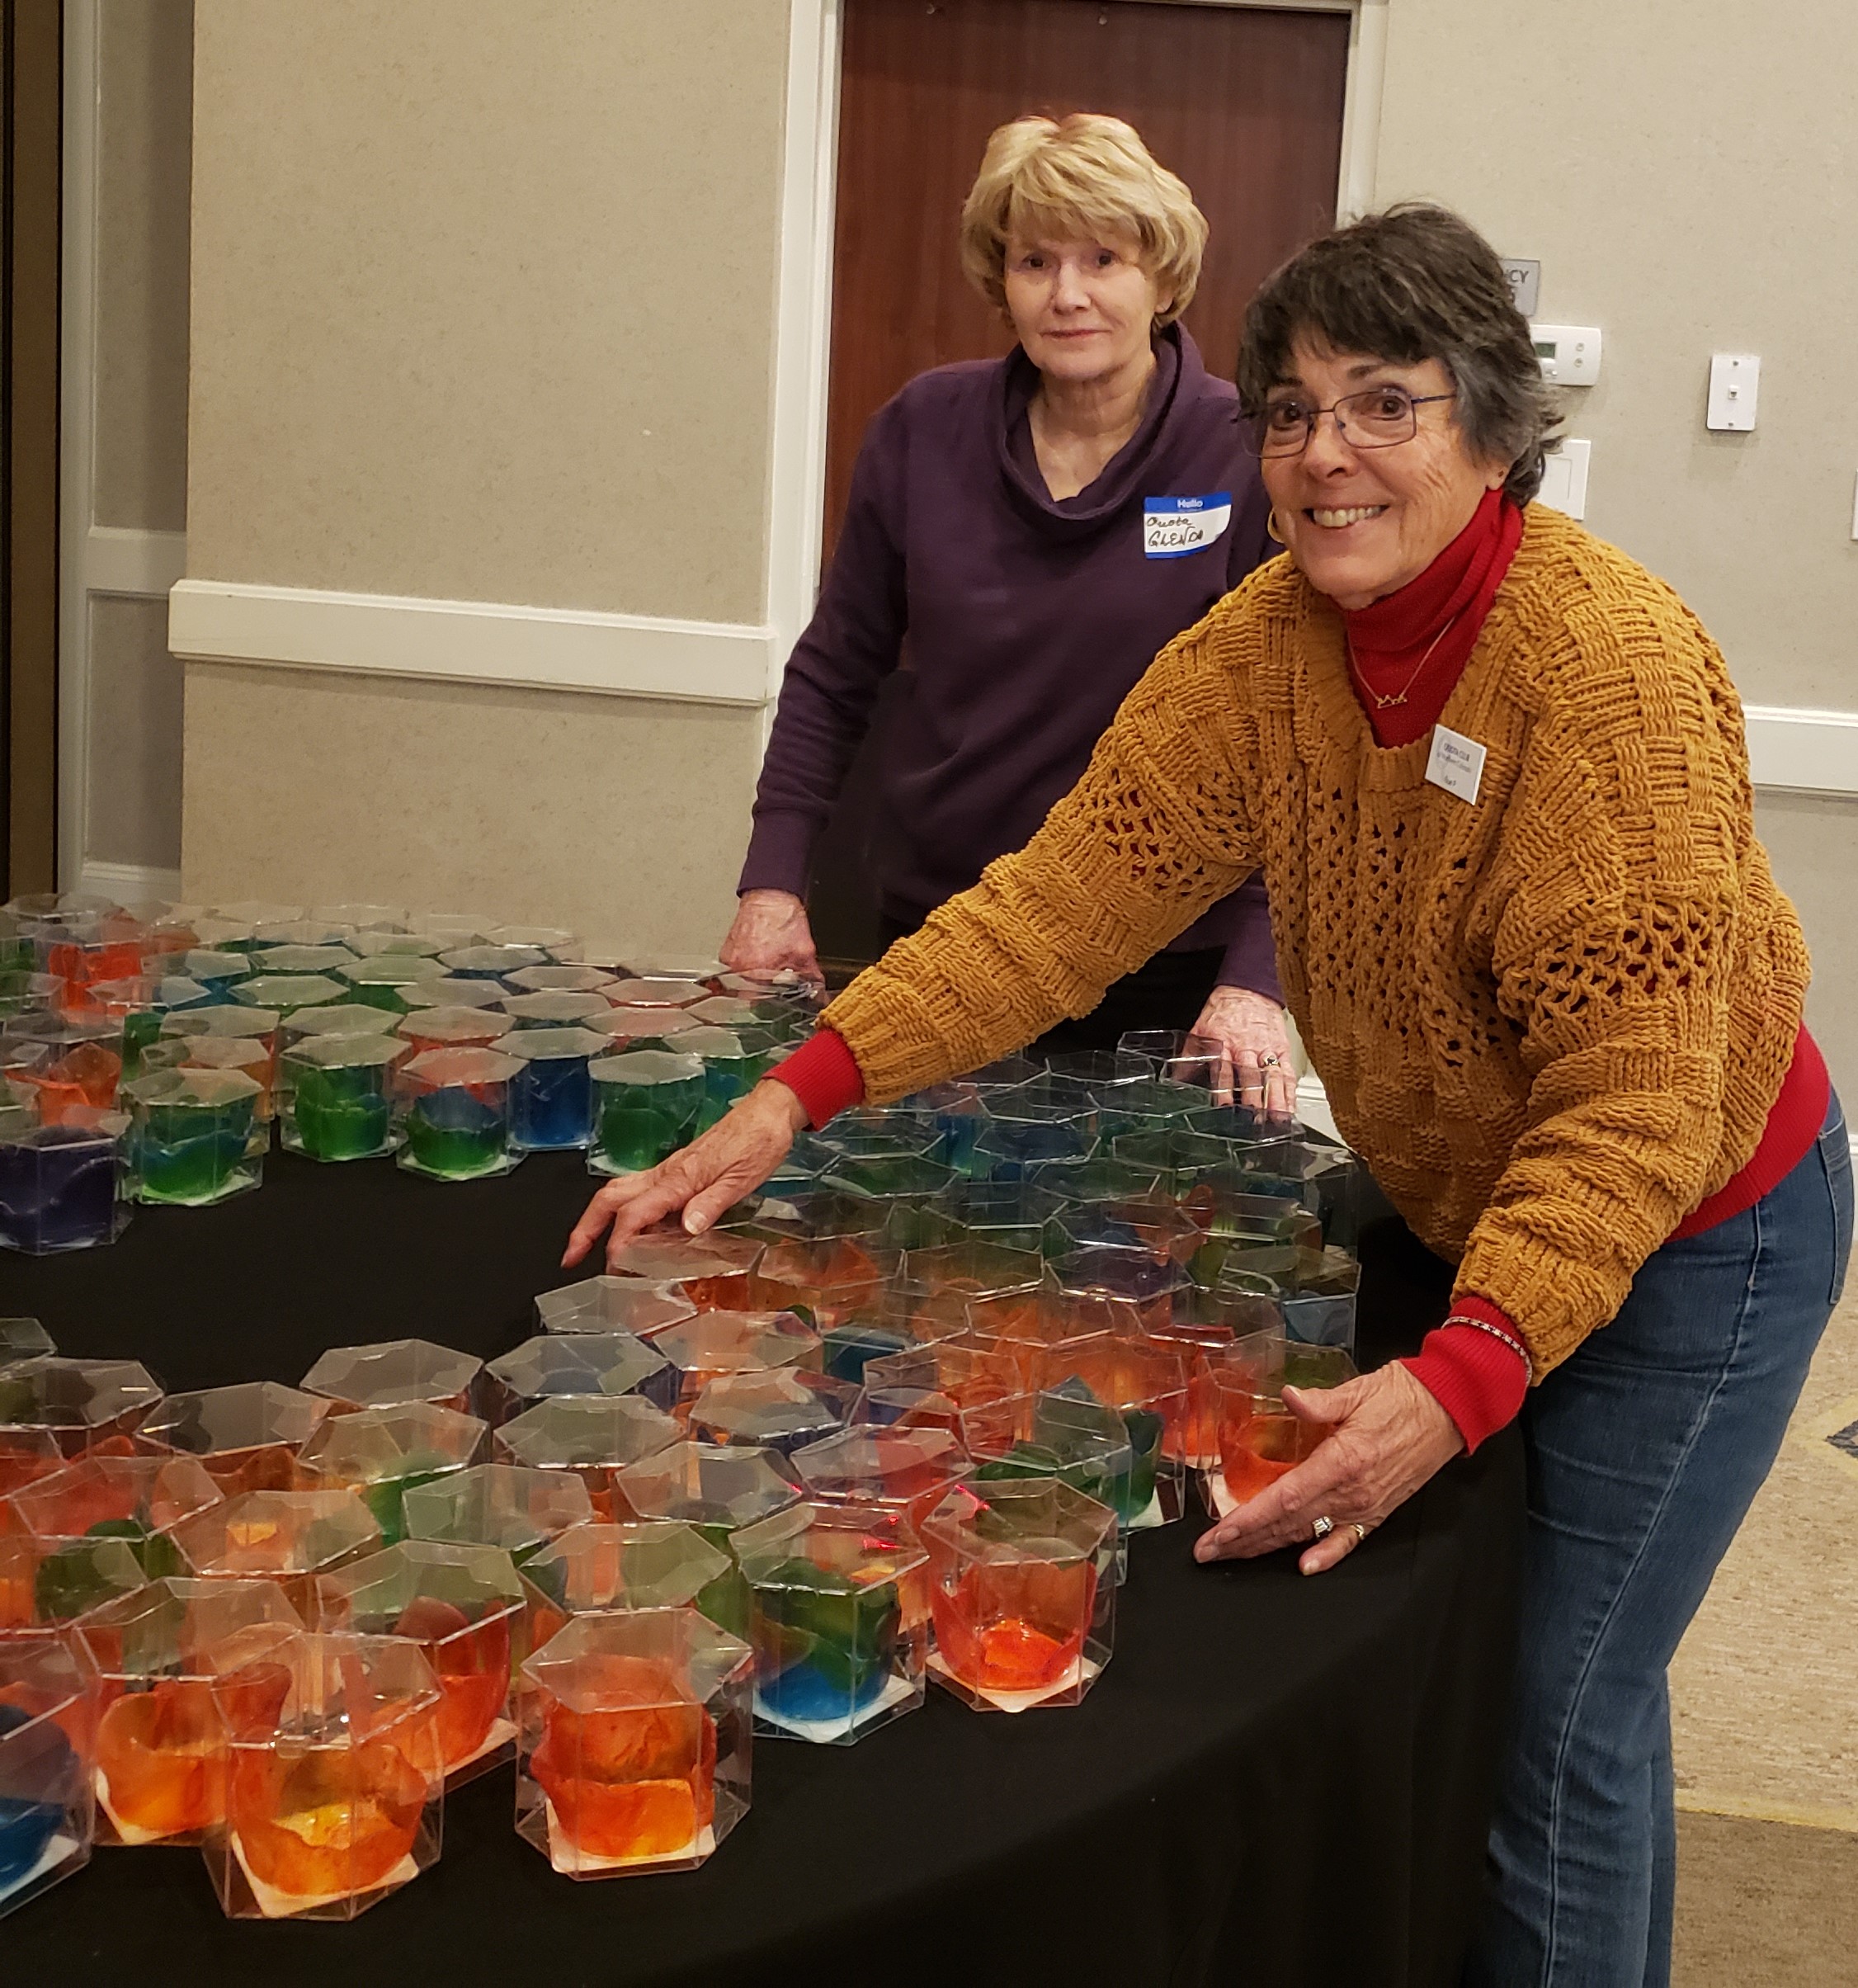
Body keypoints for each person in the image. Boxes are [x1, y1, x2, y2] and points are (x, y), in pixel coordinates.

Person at [570, 205, 1851, 1986]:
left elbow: (1631, 1110)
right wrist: (798, 1090)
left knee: (1557, 1709)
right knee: (1485, 1667)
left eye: (1385, 404)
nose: (1326, 453)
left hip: (1706, 1223)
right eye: (1293, 410)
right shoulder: (1263, 649)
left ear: (1492, 431)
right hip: (1472, 1187)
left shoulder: (1602, 668)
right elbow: (1055, 904)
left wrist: (1460, 1377)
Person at [725, 111, 1294, 1105]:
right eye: (1035, 261)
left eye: (1102, 259)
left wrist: (1256, 975)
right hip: (947, 937)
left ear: (1162, 277)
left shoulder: (1246, 450)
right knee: (923, 1202)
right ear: (1001, 281)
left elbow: (1293, 734)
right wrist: (772, 882)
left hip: (1168, 962)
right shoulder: (921, 429)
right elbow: (832, 673)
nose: (1066, 294)